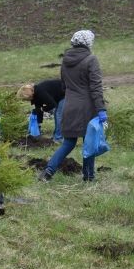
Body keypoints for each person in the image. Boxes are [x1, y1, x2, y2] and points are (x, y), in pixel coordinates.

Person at [38, 30, 107, 182]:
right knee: (89, 143)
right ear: (88, 43)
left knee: (68, 142)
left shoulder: (65, 61)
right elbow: (96, 87)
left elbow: (64, 86)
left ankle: (47, 172)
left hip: (69, 105)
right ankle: (89, 178)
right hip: (86, 109)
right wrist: (101, 109)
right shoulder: (91, 59)